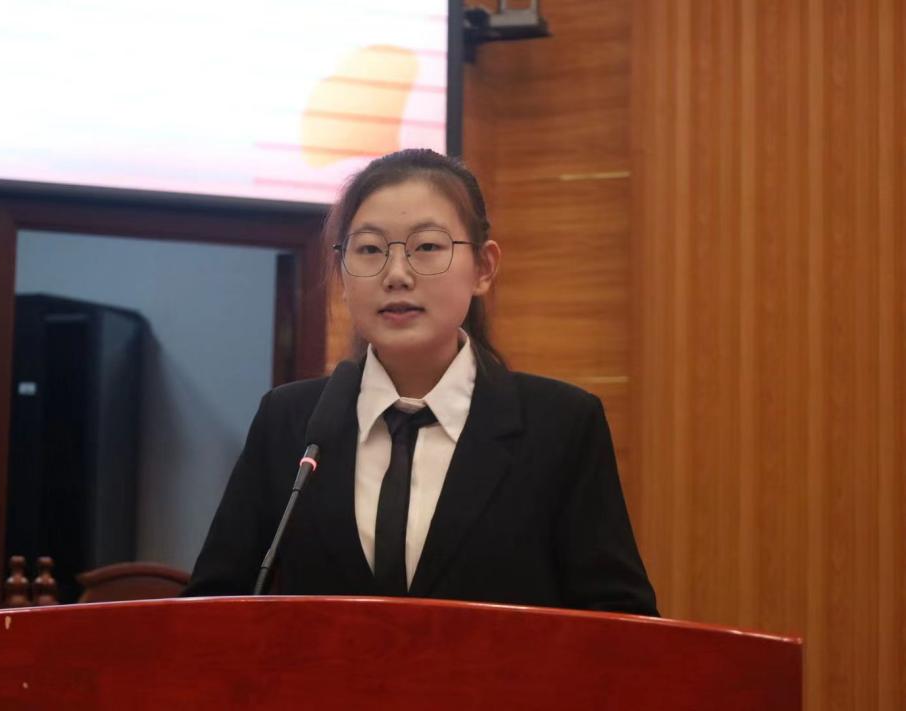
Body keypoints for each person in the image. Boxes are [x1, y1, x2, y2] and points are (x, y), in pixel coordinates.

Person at [182, 149, 657, 616]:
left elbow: (620, 622)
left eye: (427, 247)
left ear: (484, 268)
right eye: (369, 249)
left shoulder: (561, 426)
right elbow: (211, 607)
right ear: (342, 273)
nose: (396, 275)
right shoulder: (290, 421)